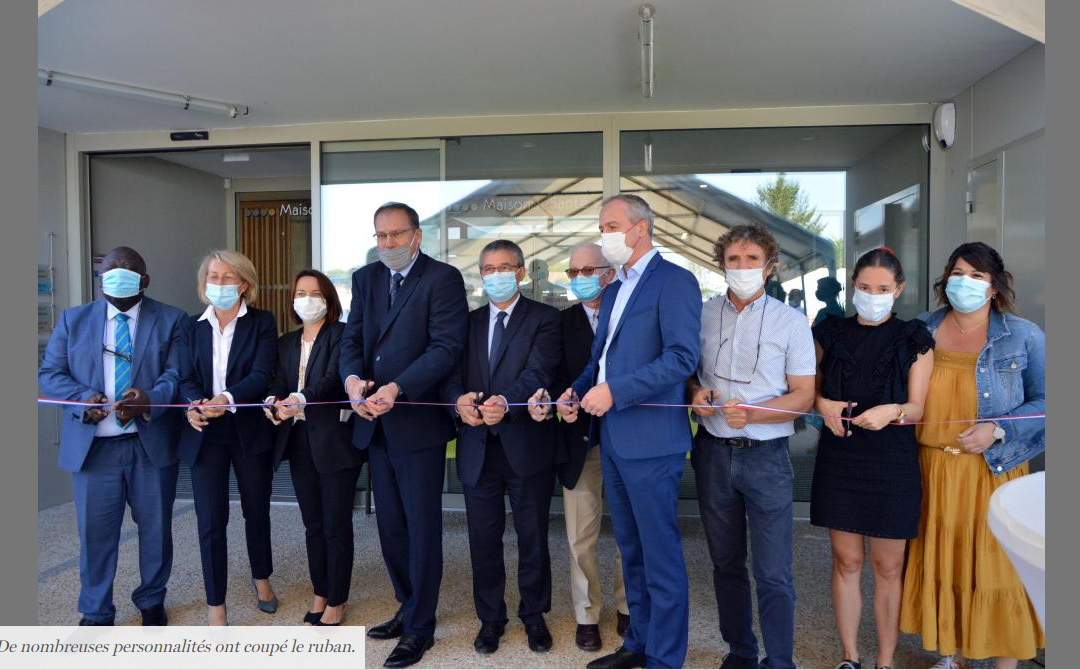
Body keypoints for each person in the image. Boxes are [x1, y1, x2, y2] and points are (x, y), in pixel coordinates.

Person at [557, 194, 702, 670]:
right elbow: (598, 360)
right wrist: (574, 393)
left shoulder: (675, 281)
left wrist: (616, 392)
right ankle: (638, 644)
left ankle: (665, 657)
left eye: (611, 226)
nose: (605, 236)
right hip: (615, 439)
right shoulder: (616, 288)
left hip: (653, 442)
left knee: (659, 555)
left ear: (640, 228)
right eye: (602, 227)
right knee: (631, 550)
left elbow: (682, 358)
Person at [899, 242, 1045, 670]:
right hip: (932, 469)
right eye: (959, 273)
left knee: (998, 569)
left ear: (995, 287)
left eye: (978, 276)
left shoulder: (1022, 334)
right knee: (946, 564)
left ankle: (1004, 662)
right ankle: (952, 656)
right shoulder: (920, 328)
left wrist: (999, 428)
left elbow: (1049, 399)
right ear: (946, 280)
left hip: (993, 470)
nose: (966, 282)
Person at [339, 202, 468, 668]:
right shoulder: (365, 279)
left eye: (396, 235)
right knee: (391, 526)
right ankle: (407, 604)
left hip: (416, 423)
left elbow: (445, 348)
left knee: (420, 528)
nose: (388, 244)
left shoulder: (442, 279)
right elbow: (352, 339)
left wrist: (398, 387)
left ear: (417, 235)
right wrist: (352, 381)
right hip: (374, 423)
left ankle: (421, 627)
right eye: (381, 236)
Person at [686, 222, 816, 669]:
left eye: (752, 260)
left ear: (770, 266)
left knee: (773, 572)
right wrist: (693, 394)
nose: (742, 267)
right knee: (725, 562)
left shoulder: (792, 322)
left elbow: (804, 395)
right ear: (721, 264)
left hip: (766, 457)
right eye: (734, 260)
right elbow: (687, 371)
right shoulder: (701, 314)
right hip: (713, 452)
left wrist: (756, 413)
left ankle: (780, 660)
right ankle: (740, 650)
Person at [39, 246, 186, 627]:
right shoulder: (74, 320)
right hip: (94, 449)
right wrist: (81, 399)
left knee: (155, 530)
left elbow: (177, 375)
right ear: (100, 278)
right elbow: (50, 374)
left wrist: (150, 399)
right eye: (111, 269)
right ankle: (96, 609)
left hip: (148, 444)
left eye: (129, 269)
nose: (119, 273)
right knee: (96, 535)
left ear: (145, 280)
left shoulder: (171, 320)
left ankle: (152, 599)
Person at [810, 247, 935, 670]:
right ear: (853, 287)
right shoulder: (830, 333)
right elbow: (808, 388)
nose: (872, 294)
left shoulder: (914, 337)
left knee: (888, 566)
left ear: (898, 290)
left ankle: (885, 661)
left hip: (892, 462)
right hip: (841, 459)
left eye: (882, 288)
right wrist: (822, 404)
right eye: (864, 287)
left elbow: (918, 407)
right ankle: (850, 657)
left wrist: (892, 411)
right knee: (846, 561)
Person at [442, 240, 562, 656]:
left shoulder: (546, 319)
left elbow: (539, 370)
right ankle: (490, 618)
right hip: (477, 446)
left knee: (533, 538)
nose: (496, 275)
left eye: (505, 267)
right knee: (483, 540)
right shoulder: (467, 323)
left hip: (525, 445)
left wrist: (505, 404)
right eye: (488, 268)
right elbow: (450, 375)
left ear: (522, 273)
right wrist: (459, 402)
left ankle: (534, 615)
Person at [528, 242, 629, 653]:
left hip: (626, 436)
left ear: (609, 272)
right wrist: (558, 402)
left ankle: (629, 608)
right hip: (577, 440)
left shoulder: (630, 311)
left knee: (628, 533)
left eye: (589, 270)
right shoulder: (559, 321)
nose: (580, 278)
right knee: (580, 535)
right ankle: (587, 615)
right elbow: (550, 374)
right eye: (573, 272)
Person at [177, 250, 278, 627]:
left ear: (244, 284)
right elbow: (183, 374)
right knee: (210, 519)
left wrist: (227, 398)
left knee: (257, 511)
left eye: (227, 277)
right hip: (206, 433)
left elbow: (262, 373)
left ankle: (262, 579)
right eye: (213, 277)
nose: (219, 284)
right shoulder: (191, 326)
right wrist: (193, 403)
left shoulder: (262, 323)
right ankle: (215, 603)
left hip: (247, 428)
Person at [265, 270, 361, 626]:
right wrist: (272, 404)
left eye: (314, 292)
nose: (306, 299)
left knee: (336, 523)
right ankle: (320, 591)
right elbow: (277, 383)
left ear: (328, 299)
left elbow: (334, 379)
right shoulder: (286, 342)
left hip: (335, 441)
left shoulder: (342, 335)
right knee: (312, 523)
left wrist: (300, 398)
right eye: (300, 292)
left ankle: (337, 598)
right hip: (299, 441)